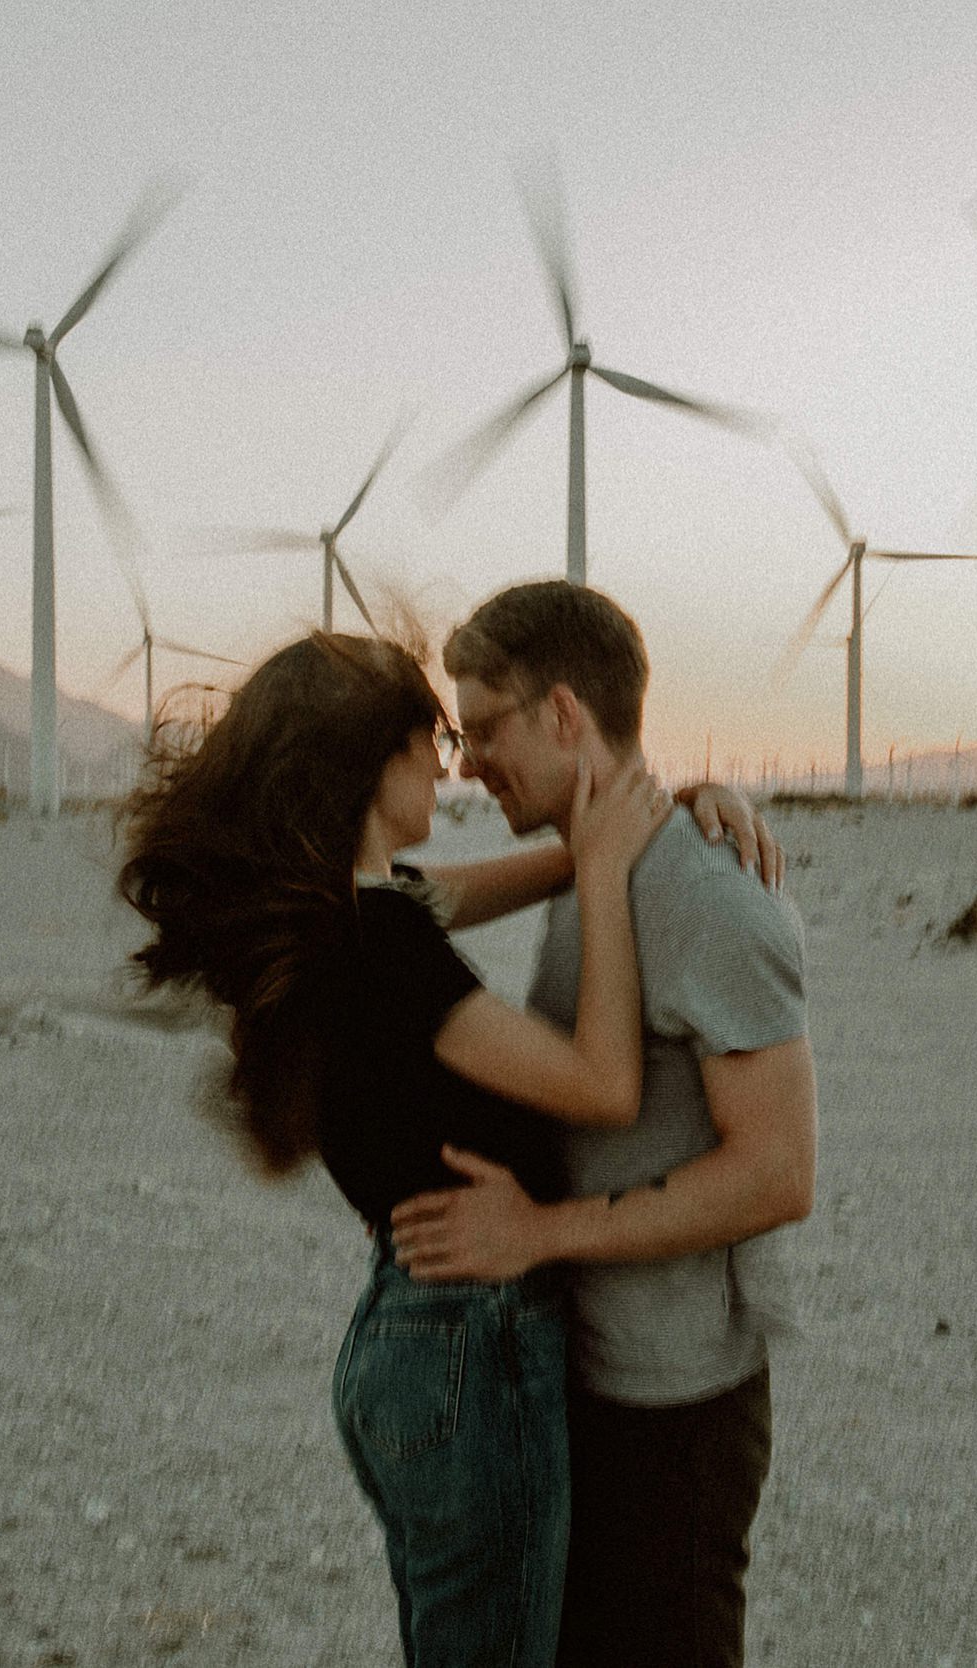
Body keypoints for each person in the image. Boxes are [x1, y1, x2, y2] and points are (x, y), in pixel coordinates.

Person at [116, 630, 777, 1668]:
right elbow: (605, 1086)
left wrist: (660, 807)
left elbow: (531, 864)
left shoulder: (353, 908)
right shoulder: (382, 945)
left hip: (411, 1342)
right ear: (369, 763)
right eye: (431, 738)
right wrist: (605, 879)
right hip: (471, 1347)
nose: (450, 762)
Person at [391, 582, 818, 1668]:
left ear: (566, 715)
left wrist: (539, 1233)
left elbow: (776, 1174)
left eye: (485, 729)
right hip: (589, 1378)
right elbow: (397, 903)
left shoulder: (709, 895)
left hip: (675, 1405)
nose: (466, 764)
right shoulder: (600, 869)